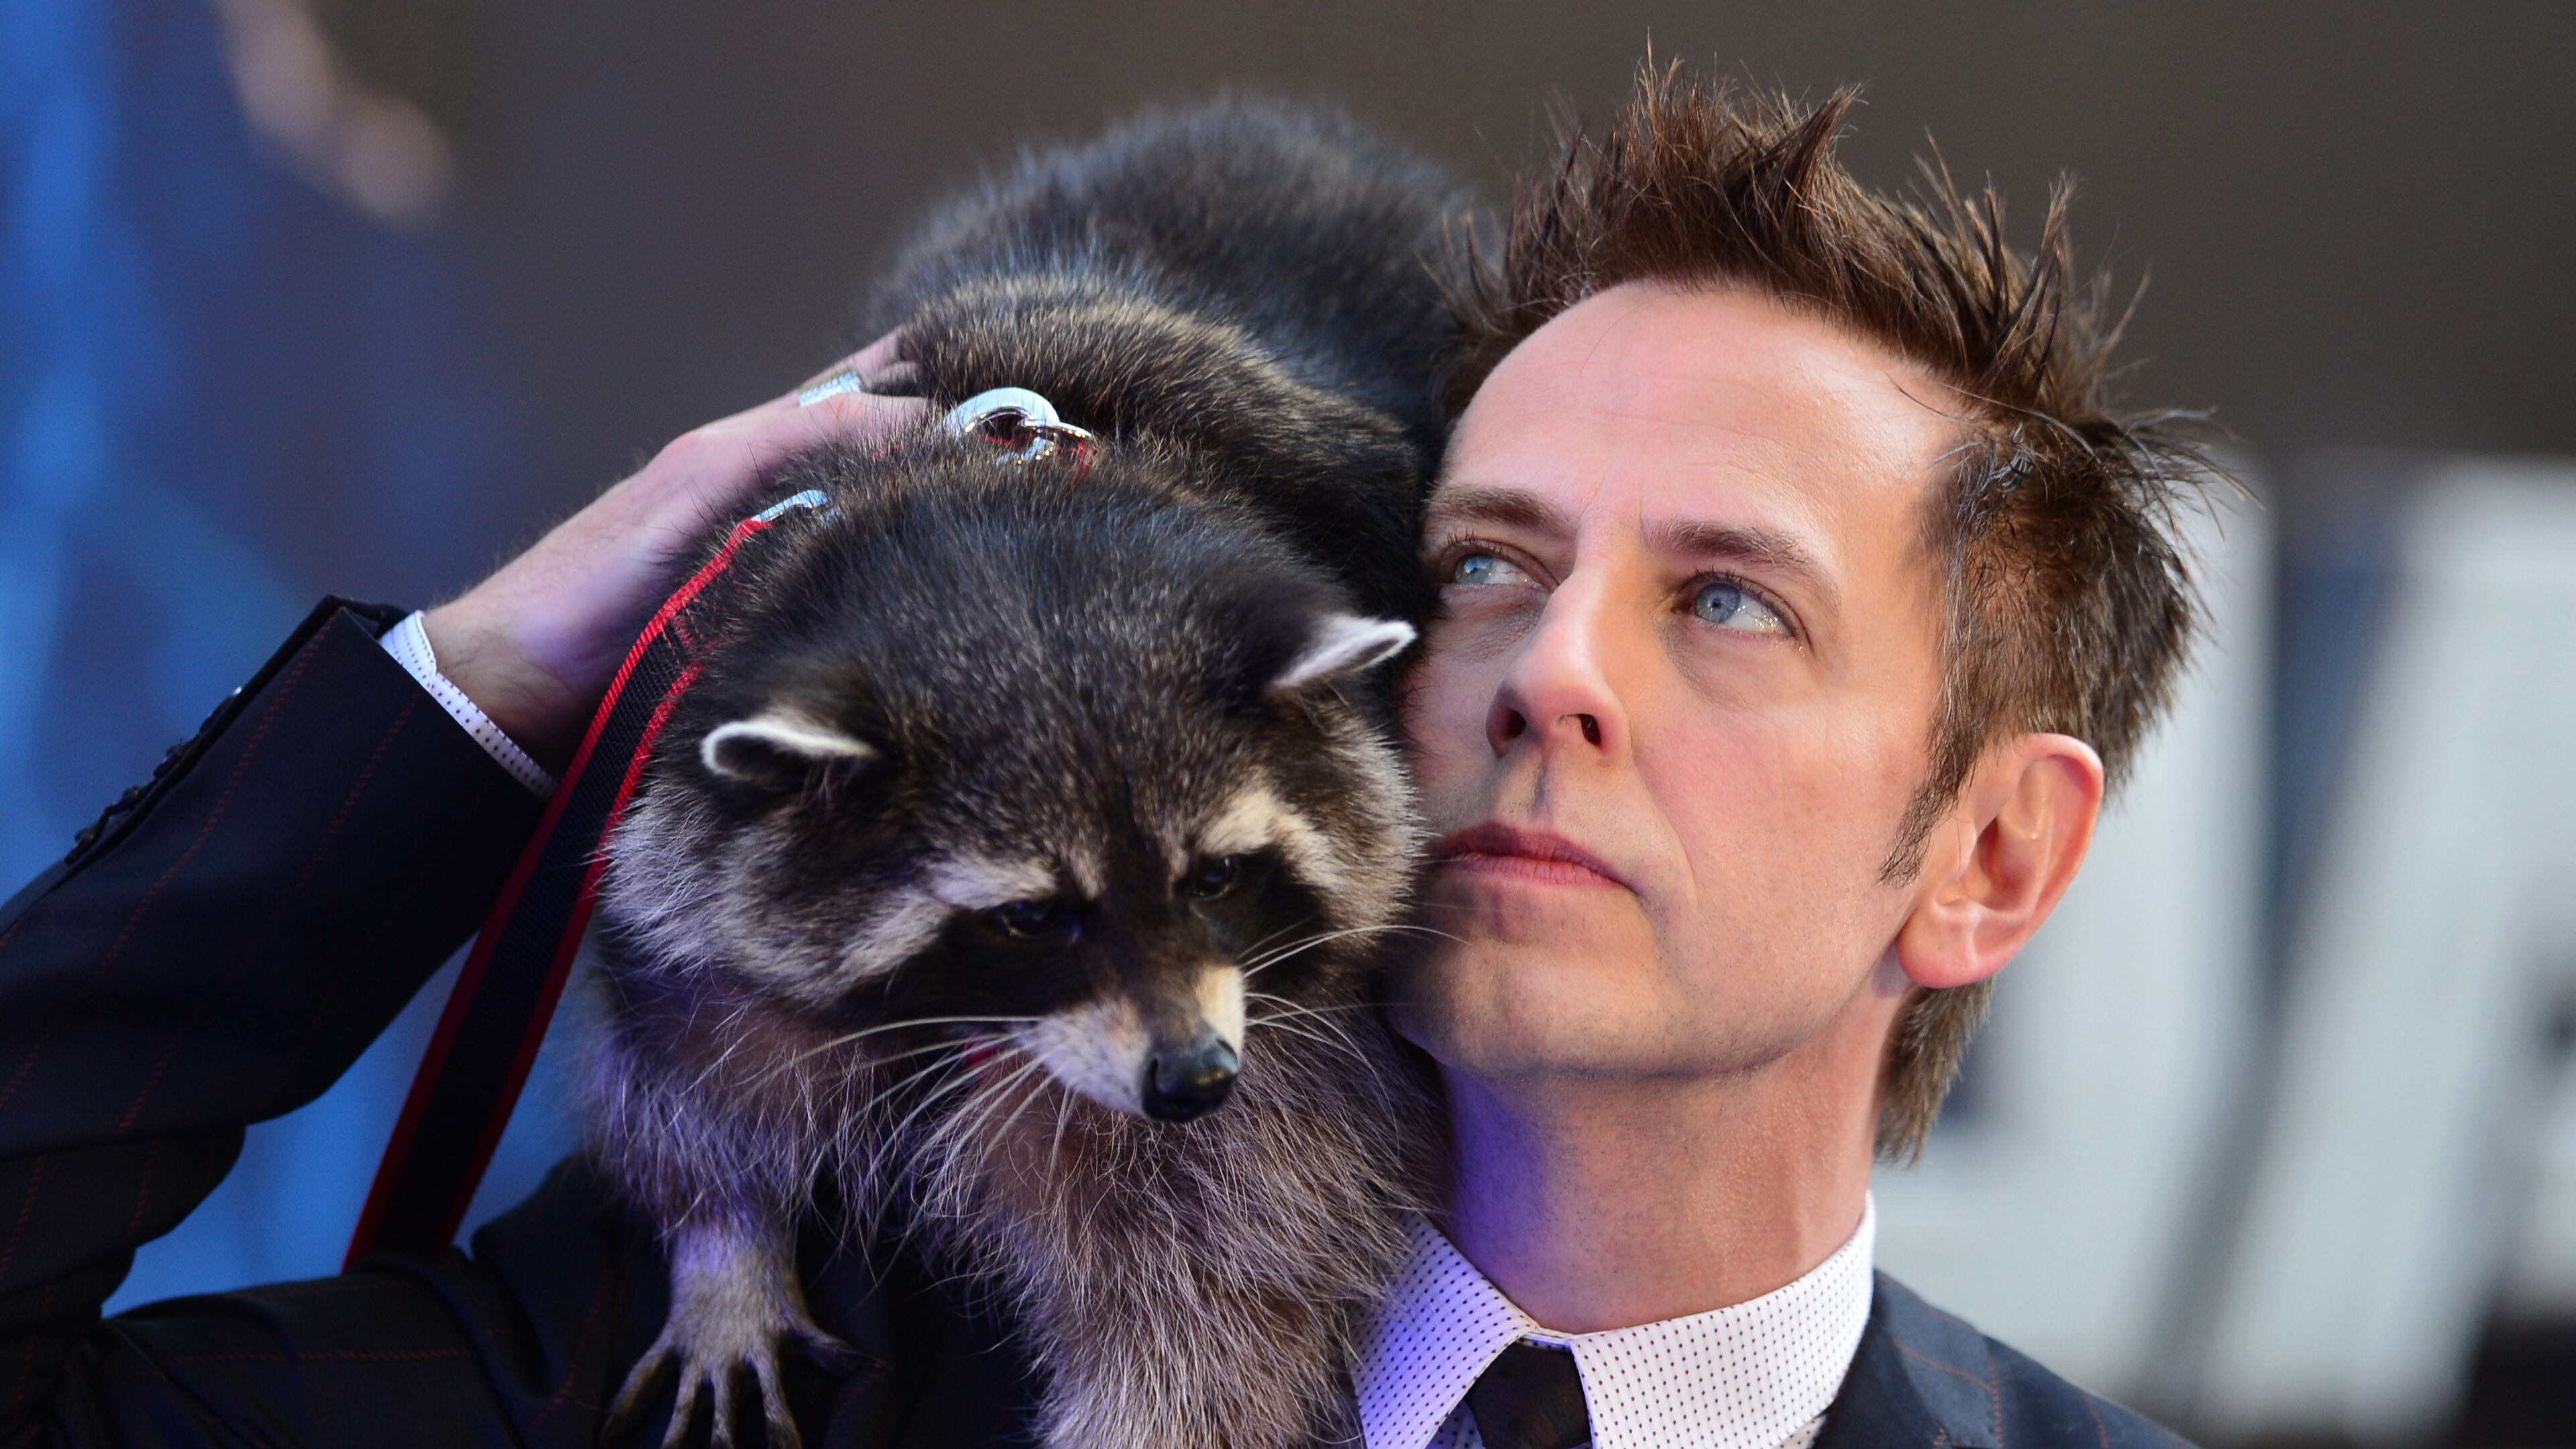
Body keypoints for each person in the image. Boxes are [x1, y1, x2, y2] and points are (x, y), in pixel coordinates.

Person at [0, 67, 2203, 1448]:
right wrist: (484, 680)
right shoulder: (783, 1346)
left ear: (1991, 852)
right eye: (1489, 567)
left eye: (1730, 598)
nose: (1553, 675)